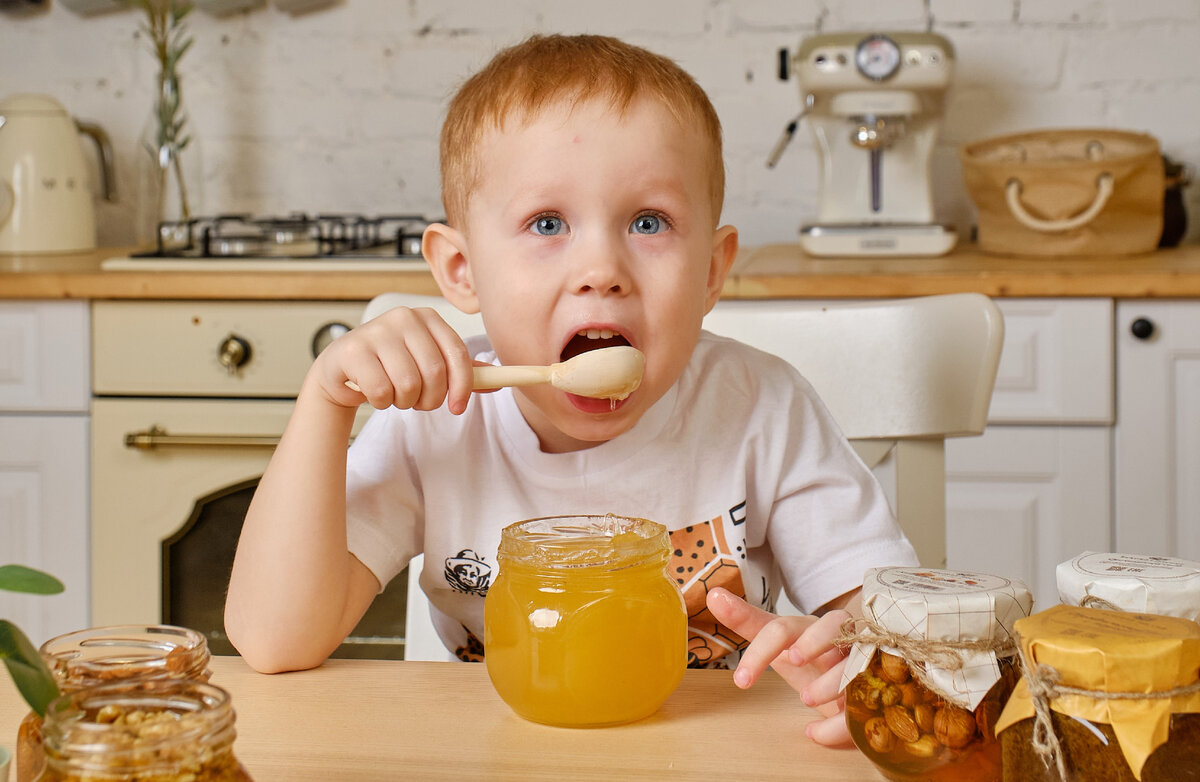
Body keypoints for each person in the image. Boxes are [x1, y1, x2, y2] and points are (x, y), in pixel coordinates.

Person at [223, 33, 918, 746]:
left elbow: (895, 629)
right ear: (462, 270)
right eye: (547, 223)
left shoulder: (762, 407)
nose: (600, 268)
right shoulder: (435, 420)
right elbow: (274, 642)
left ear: (712, 270)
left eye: (648, 222)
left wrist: (846, 650)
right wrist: (324, 404)